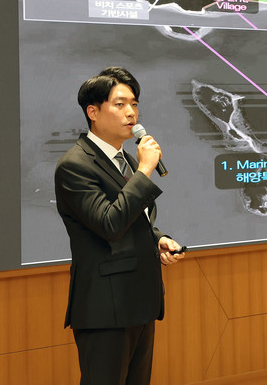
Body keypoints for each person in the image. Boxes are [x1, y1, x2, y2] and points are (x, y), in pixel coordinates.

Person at [55, 66, 185, 385]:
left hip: (138, 300)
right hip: (105, 307)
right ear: (93, 112)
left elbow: (132, 217)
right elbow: (109, 223)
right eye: (120, 104)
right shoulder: (75, 165)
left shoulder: (124, 159)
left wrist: (157, 238)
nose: (131, 112)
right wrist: (144, 172)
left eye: (134, 104)